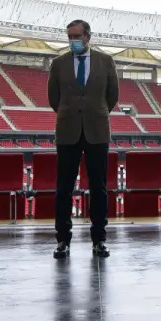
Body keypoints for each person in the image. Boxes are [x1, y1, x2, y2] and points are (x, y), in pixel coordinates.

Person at [48, 19, 119, 259]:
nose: (72, 41)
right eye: (69, 37)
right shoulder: (58, 64)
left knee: (98, 188)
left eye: (76, 36)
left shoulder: (105, 61)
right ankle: (62, 241)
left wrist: (95, 113)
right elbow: (53, 99)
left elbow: (112, 96)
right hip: (68, 132)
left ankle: (99, 240)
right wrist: (71, 114)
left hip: (97, 131)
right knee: (63, 189)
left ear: (88, 36)